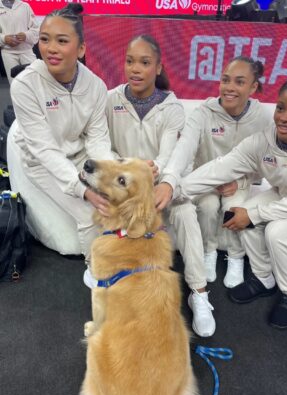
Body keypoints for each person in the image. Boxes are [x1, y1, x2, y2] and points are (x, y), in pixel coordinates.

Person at [156, 76, 287, 330]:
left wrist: (255, 215)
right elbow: (220, 168)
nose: (284, 117)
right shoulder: (262, 141)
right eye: (280, 108)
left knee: (277, 232)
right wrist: (173, 190)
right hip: (284, 194)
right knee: (237, 213)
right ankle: (264, 278)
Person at [154, 56, 271, 337]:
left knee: (234, 206)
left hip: (237, 183)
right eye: (225, 80)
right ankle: (208, 252)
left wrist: (242, 180)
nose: (229, 87)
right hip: (204, 180)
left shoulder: (263, 118)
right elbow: (184, 149)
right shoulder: (204, 113)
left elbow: (264, 165)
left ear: (254, 87)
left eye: (239, 82)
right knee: (205, 205)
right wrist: (170, 180)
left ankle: (235, 256)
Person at [10, 4, 113, 276]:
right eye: (44, 39)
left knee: (112, 200)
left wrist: (106, 177)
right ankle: (96, 272)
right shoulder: (25, 85)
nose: (51, 48)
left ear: (81, 49)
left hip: (77, 155)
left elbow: (99, 139)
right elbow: (43, 150)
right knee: (90, 214)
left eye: (62, 41)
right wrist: (83, 190)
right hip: (40, 162)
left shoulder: (96, 86)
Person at [106, 34, 183, 181]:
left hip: (156, 184)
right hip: (119, 180)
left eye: (145, 63)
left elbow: (167, 158)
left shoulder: (172, 108)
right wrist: (125, 167)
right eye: (129, 61)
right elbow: (102, 146)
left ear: (158, 68)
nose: (135, 69)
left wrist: (148, 171)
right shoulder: (109, 100)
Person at [0, 0, 38, 84]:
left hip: (27, 51)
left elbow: (36, 30)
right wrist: (4, 39)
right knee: (15, 85)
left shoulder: (25, 6)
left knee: (35, 82)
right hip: (8, 53)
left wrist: (26, 35)